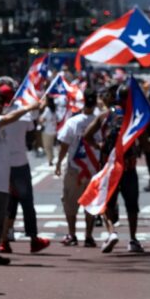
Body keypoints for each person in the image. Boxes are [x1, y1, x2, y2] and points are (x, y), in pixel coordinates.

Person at [0, 83, 41, 264]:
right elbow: (10, 118)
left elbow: (24, 124)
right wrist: (28, 107)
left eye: (2, 102)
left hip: (1, 179)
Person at [83, 83, 144, 253]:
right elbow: (147, 144)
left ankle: (112, 233)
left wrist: (99, 145)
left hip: (109, 167)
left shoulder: (105, 116)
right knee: (132, 205)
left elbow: (86, 135)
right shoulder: (135, 118)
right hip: (128, 167)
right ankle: (133, 239)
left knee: (107, 202)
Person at [0, 82, 51, 254]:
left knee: (7, 203)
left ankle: (3, 240)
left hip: (2, 164)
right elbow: (31, 127)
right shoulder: (22, 113)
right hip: (20, 162)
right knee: (27, 201)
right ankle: (34, 239)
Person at [55, 89, 99, 247]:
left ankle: (72, 234)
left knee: (70, 202)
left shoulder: (73, 122)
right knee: (90, 203)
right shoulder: (99, 121)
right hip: (94, 169)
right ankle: (89, 236)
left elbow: (64, 145)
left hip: (75, 168)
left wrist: (59, 162)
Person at [38, 96, 58, 166]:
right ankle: (52, 157)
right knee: (51, 146)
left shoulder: (47, 109)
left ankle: (50, 160)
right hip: (53, 129)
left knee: (47, 146)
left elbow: (42, 119)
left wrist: (40, 118)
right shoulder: (54, 109)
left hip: (47, 131)